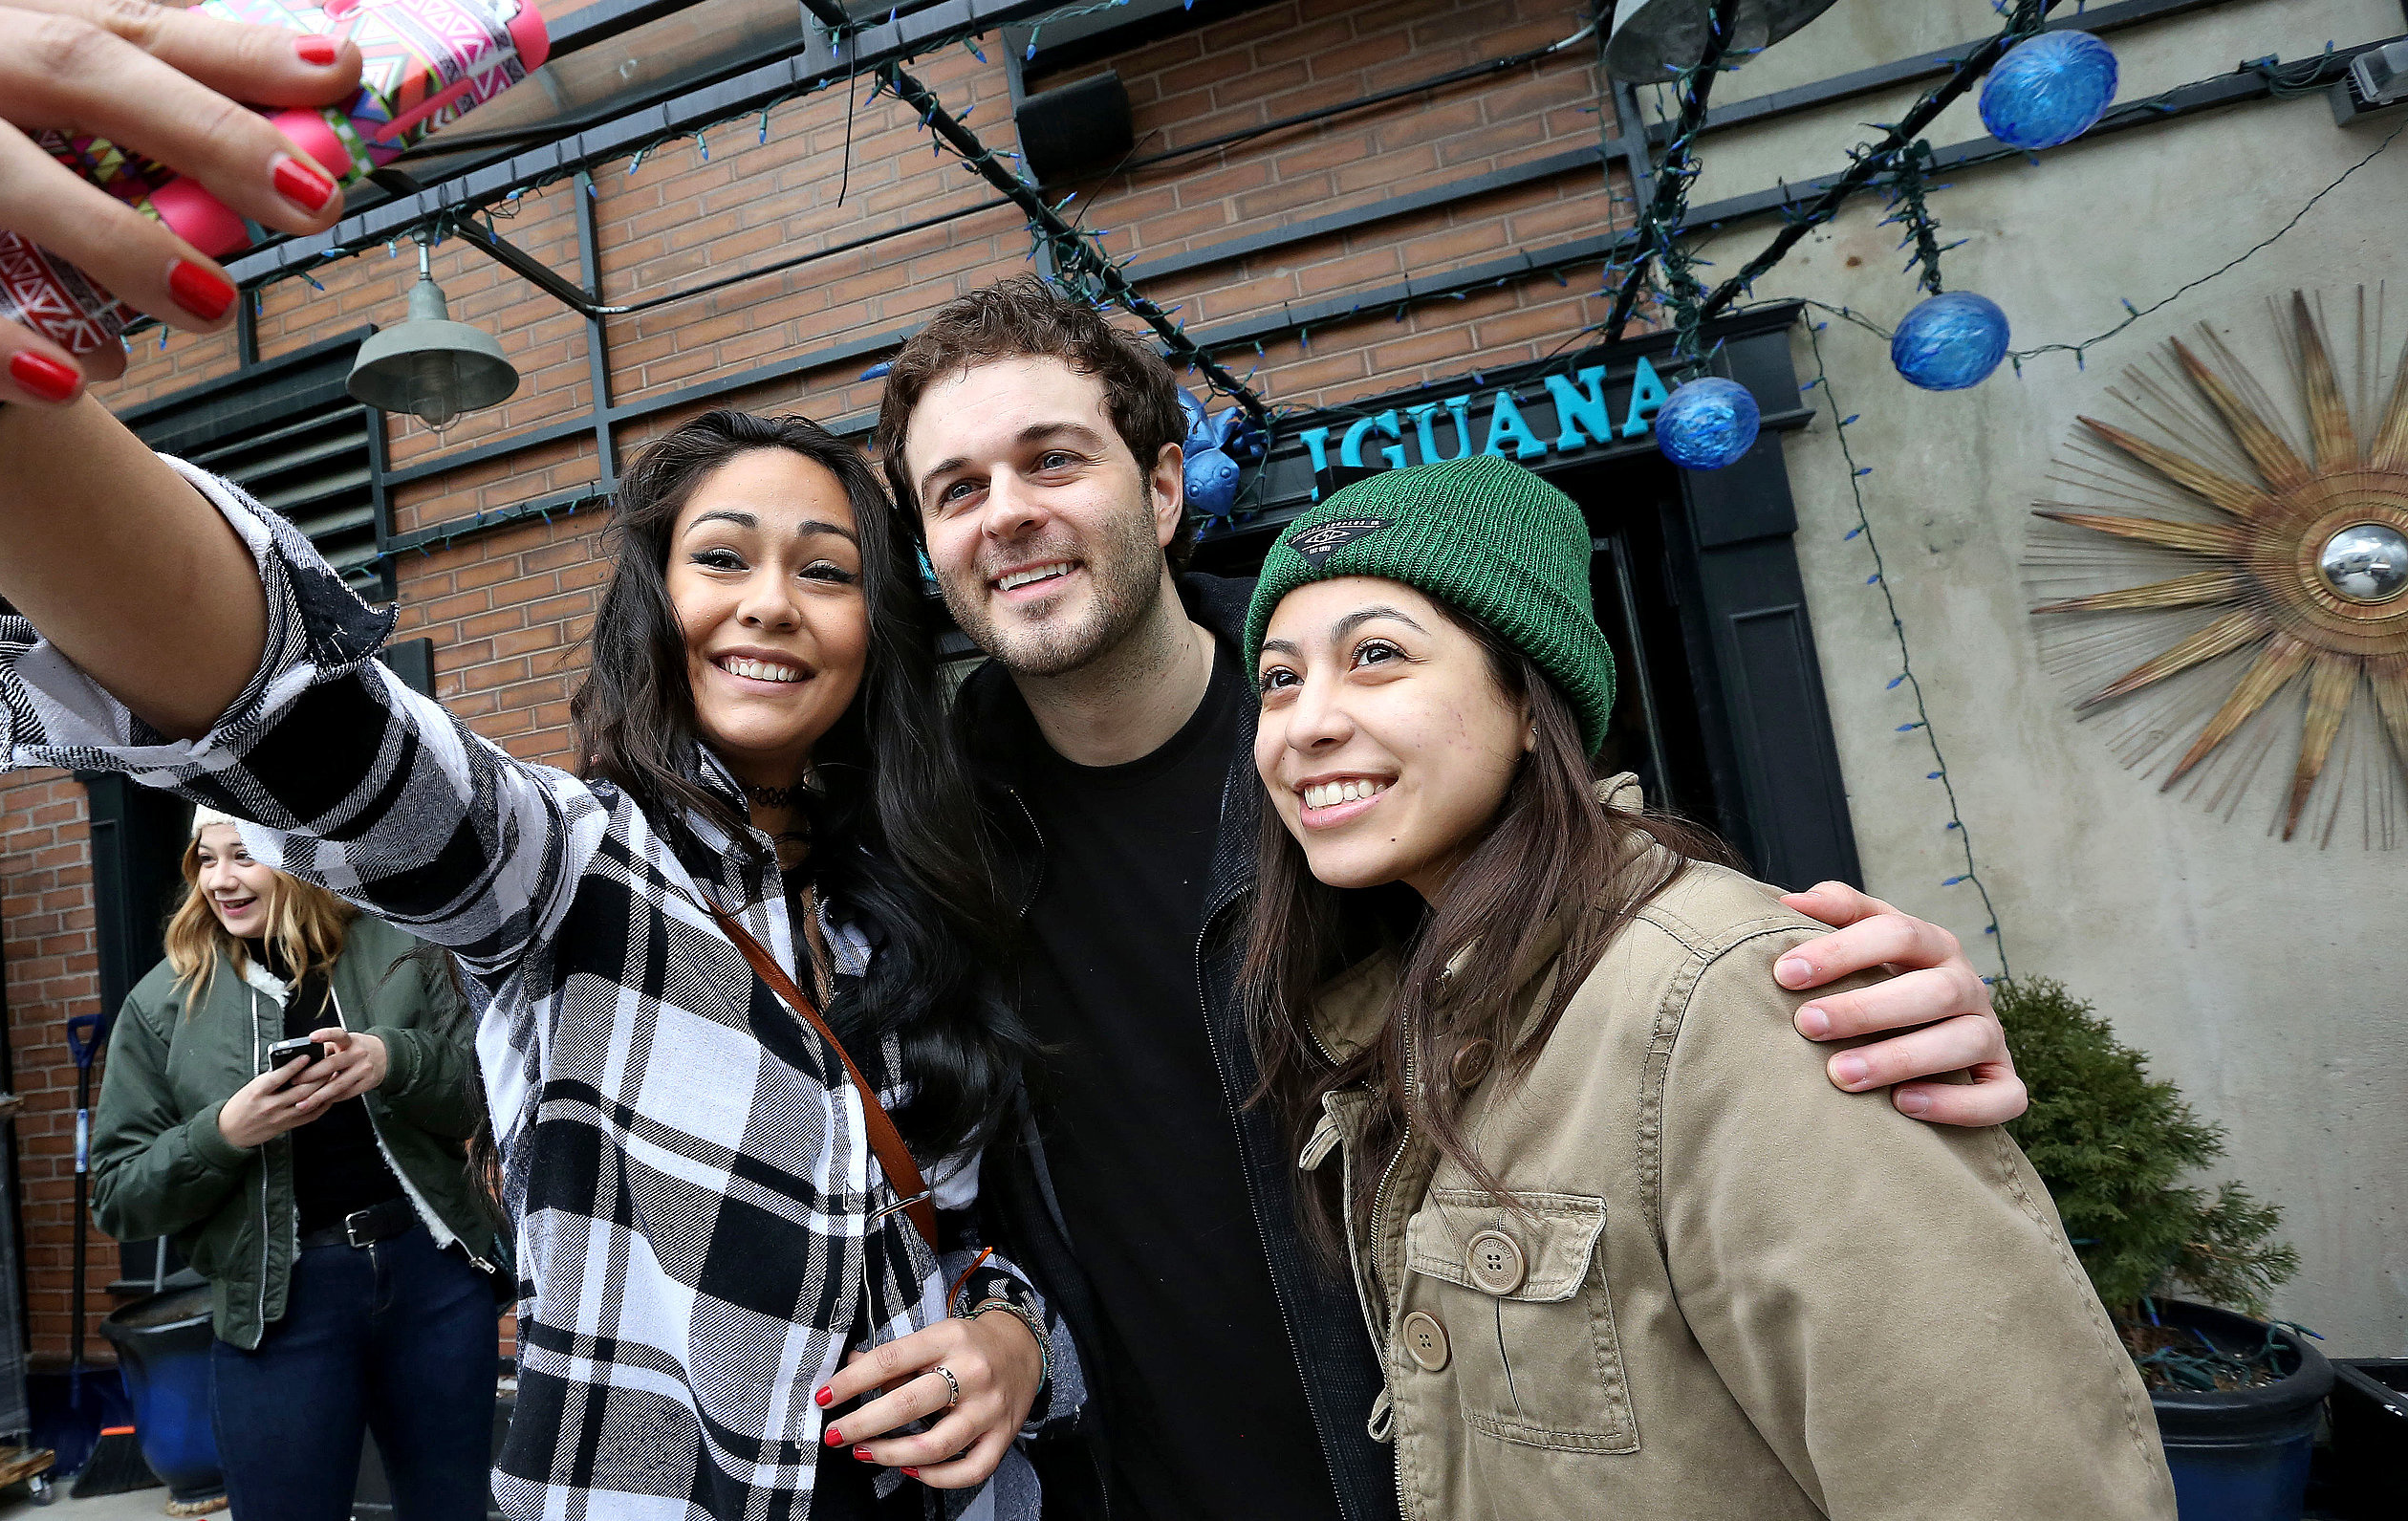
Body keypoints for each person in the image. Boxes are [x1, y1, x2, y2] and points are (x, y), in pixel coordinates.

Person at [0, 0, 2018, 1519]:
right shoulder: (625, 868)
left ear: (1150, 478)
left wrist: (1839, 1011)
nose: (804, 586)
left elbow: (1604, 957)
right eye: (746, 550)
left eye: (846, 546)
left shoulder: (1277, 773)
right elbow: (301, 717)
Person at [871, 277, 2037, 1520]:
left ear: (1163, 490)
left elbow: (1602, 919)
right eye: (958, 488)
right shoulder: (921, 840)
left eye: (1051, 460)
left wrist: (1808, 1002)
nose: (1007, 514)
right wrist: (1008, 1323)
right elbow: (962, 1170)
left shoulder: (1365, 770)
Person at [1227, 456, 2172, 1518]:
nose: (1306, 722)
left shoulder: (1730, 997)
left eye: (1378, 656)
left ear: (1533, 702)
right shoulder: (1411, 1009)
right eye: (1279, 677)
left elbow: (2008, 1479)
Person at [88, 808, 510, 1521]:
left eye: (244, 856)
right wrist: (224, 1132)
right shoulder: (161, 1001)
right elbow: (120, 1195)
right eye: (207, 858)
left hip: (429, 1280)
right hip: (278, 1304)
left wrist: (391, 1058)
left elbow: (484, 1099)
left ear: (298, 856)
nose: (222, 880)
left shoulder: (402, 945)